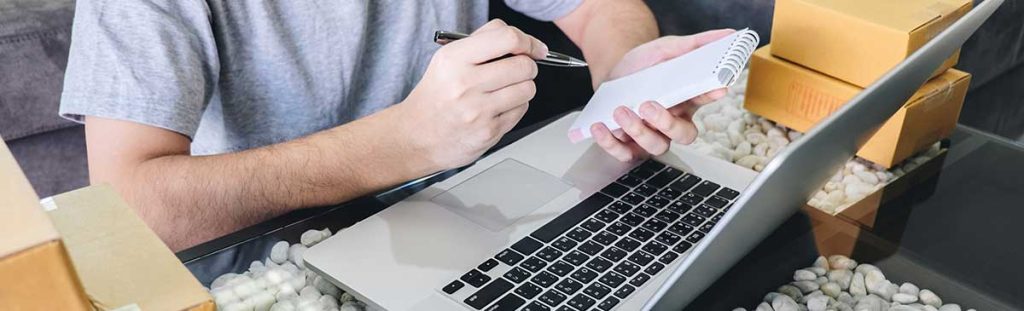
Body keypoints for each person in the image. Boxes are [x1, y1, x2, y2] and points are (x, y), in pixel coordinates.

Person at [59, 0, 732, 250]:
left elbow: (599, 7)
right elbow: (126, 214)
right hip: (271, 248)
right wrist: (402, 143)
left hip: (474, 211)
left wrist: (625, 70)